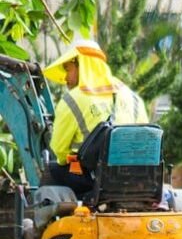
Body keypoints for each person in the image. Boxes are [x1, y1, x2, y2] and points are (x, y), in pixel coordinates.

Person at [42, 39, 148, 195]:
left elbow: (60, 152)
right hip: (134, 180)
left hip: (93, 182)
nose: (65, 78)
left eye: (68, 69)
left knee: (51, 170)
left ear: (81, 64)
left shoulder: (73, 99)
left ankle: (50, 219)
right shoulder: (133, 98)